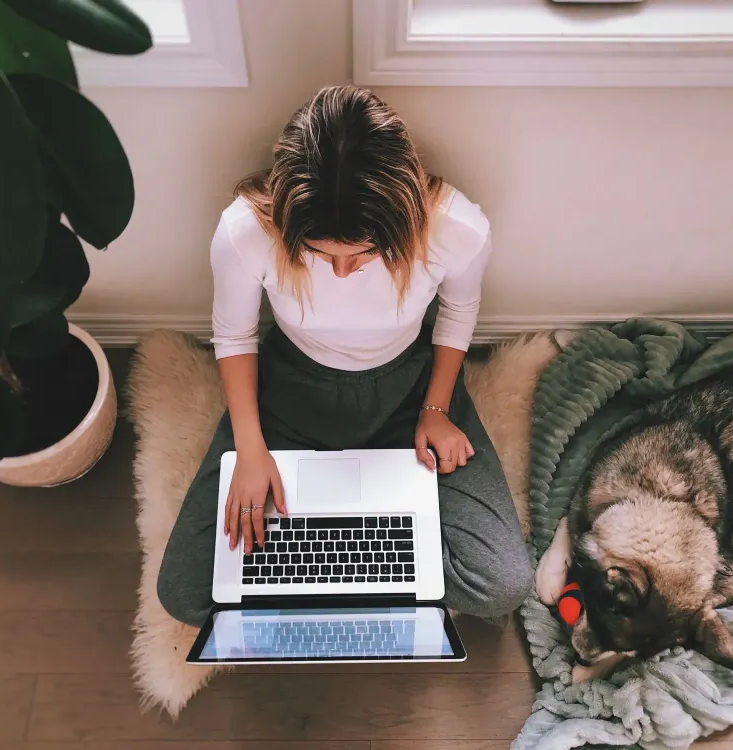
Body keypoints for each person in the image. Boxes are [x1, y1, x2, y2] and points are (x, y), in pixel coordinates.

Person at [157, 85, 532, 627]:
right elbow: (235, 337)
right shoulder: (244, 232)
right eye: (318, 253)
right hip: (289, 392)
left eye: (363, 254)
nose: (339, 272)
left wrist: (436, 410)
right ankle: (346, 562)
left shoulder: (458, 229)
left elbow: (458, 311)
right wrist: (250, 446)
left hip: (408, 388)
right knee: (187, 593)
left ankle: (352, 562)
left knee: (502, 584)